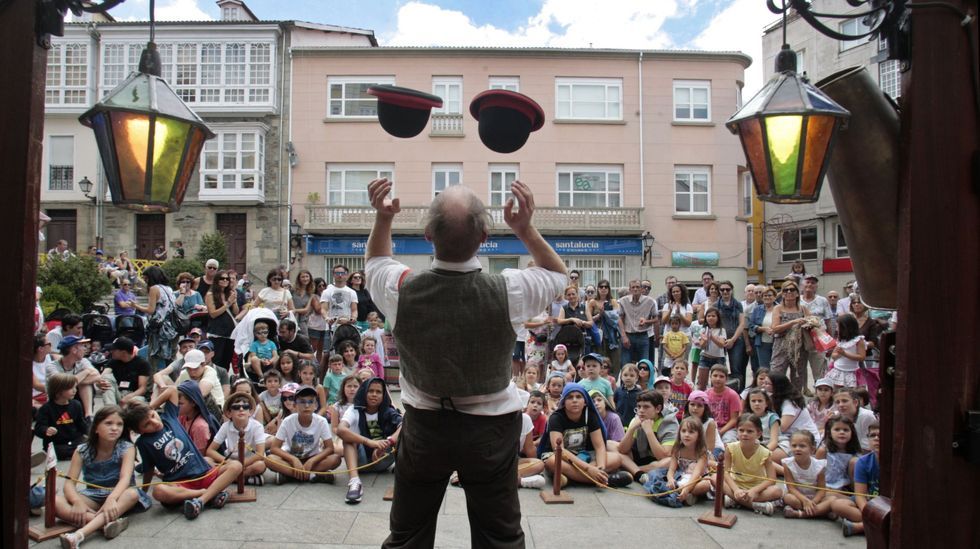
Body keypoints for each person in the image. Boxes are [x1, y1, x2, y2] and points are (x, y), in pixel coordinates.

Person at [366, 178, 566, 548]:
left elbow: (377, 261)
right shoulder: (509, 290)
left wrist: (383, 218)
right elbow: (556, 274)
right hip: (490, 430)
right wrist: (524, 228)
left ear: (428, 234)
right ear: (485, 236)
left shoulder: (401, 288)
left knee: (408, 535)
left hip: (426, 426)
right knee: (499, 537)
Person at [125, 390, 241, 520]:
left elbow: (172, 391)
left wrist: (150, 406)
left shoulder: (169, 417)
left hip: (205, 473)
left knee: (235, 466)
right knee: (158, 491)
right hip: (181, 485)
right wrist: (144, 492)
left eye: (152, 416)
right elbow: (148, 469)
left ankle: (201, 501)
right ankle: (208, 495)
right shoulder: (143, 442)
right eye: (147, 424)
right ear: (139, 431)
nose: (155, 423)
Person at [55, 406, 152, 549]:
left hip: (120, 495)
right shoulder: (82, 450)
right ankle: (105, 524)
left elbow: (125, 479)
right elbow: (69, 484)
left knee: (132, 493)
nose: (115, 428)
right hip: (93, 495)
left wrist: (112, 498)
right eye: (108, 423)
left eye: (119, 424)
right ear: (96, 428)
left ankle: (78, 535)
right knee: (55, 501)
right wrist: (77, 502)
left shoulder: (127, 447)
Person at [538, 383, 629, 487]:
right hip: (561, 457)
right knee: (552, 462)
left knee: (616, 459)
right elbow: (560, 450)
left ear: (585, 401)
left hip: (584, 455)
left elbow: (599, 447)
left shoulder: (590, 415)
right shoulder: (556, 418)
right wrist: (588, 469)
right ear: (563, 402)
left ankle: (570, 479)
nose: (575, 400)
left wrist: (600, 468)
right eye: (570, 397)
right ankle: (605, 480)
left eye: (579, 397)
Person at [337, 377, 402, 504]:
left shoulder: (388, 411)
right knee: (348, 439)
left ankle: (404, 473)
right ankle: (354, 482)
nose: (374, 394)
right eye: (370, 391)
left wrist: (387, 443)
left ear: (383, 395)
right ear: (363, 392)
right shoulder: (354, 410)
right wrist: (369, 442)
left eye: (378, 392)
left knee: (404, 435)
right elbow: (340, 430)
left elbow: (404, 425)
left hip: (382, 460)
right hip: (360, 461)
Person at [266, 385, 341, 484]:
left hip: (313, 458)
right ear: (295, 405)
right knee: (269, 459)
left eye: (310, 402)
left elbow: (330, 448)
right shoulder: (288, 421)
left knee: (336, 459)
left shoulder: (321, 421)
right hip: (290, 459)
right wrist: (293, 459)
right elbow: (274, 448)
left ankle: (289, 476)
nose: (306, 406)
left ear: (315, 405)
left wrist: (312, 461)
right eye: (302, 402)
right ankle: (312, 475)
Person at [722, 413, 783, 515]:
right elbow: (726, 472)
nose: (744, 434)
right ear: (736, 431)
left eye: (750, 431)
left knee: (777, 491)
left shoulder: (765, 453)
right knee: (714, 478)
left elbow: (772, 479)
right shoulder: (730, 448)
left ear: (758, 434)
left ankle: (735, 501)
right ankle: (755, 505)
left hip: (757, 489)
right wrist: (736, 490)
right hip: (736, 485)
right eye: (741, 430)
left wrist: (754, 491)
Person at [830, 422, 881, 537]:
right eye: (872, 435)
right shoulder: (863, 462)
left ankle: (860, 527)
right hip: (870, 502)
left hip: (888, 506)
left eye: (880, 435)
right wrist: (867, 513)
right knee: (837, 504)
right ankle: (877, 525)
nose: (876, 438)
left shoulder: (896, 461)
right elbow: (860, 495)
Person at [617, 389, 677, 483]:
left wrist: (649, 431)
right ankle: (639, 474)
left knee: (669, 461)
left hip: (656, 462)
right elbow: (622, 450)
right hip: (640, 457)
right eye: (639, 407)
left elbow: (663, 456)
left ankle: (629, 469)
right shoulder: (638, 417)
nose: (641, 411)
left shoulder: (669, 422)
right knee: (610, 444)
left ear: (658, 409)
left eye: (646, 407)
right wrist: (632, 428)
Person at [207, 392, 268, 485]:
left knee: (260, 466)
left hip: (249, 462)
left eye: (245, 407)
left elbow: (260, 453)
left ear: (250, 412)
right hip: (231, 460)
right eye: (236, 407)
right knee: (206, 460)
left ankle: (228, 478)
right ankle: (245, 479)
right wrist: (228, 462)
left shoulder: (257, 426)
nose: (241, 409)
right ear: (229, 413)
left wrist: (242, 464)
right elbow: (210, 451)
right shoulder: (226, 426)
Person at [769, 280, 811, 392]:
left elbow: (812, 324)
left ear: (797, 293)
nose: (789, 292)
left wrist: (810, 323)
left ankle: (796, 402)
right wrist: (793, 322)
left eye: (792, 290)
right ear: (782, 294)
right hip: (781, 346)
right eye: (785, 290)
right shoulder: (778, 308)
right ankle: (776, 401)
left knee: (798, 377)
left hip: (799, 347)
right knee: (776, 375)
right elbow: (775, 328)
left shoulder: (803, 309)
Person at [34, 373, 87, 460]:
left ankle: (77, 452)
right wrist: (46, 430)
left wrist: (91, 433)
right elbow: (39, 428)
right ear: (58, 391)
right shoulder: (46, 408)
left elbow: (81, 423)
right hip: (57, 442)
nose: (75, 390)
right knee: (58, 450)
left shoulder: (76, 405)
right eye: (71, 388)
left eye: (75, 387)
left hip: (74, 440)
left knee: (89, 445)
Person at [781, 430, 831, 518]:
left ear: (812, 449)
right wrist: (804, 500)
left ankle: (801, 513)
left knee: (832, 500)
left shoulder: (819, 466)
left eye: (802, 446)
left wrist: (813, 502)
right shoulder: (787, 464)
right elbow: (791, 488)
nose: (797, 449)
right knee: (789, 498)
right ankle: (820, 512)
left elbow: (822, 489)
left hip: (814, 496)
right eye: (794, 446)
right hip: (797, 496)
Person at [140, 266, 178, 365]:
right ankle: (175, 379)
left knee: (153, 357)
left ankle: (152, 379)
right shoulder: (168, 288)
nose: (144, 281)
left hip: (159, 328)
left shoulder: (154, 289)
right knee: (170, 359)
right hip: (172, 327)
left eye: (145, 278)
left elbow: (150, 310)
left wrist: (135, 305)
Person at [816, 415, 861, 497]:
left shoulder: (854, 453)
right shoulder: (823, 451)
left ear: (852, 433)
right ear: (829, 432)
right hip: (826, 487)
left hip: (846, 488)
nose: (842, 432)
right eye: (837, 429)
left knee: (855, 461)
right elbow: (816, 474)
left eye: (846, 430)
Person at [98, 337, 152, 406]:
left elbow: (142, 388)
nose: (111, 352)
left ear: (123, 352)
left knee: (136, 401)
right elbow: (104, 375)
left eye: (114, 350)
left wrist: (129, 397)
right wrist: (99, 382)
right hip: (118, 392)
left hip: (134, 395)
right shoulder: (113, 362)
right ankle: (111, 410)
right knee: (106, 378)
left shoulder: (142, 364)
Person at [715, 280, 748, 390]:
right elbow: (713, 324)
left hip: (736, 340)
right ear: (719, 291)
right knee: (719, 368)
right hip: (720, 341)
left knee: (736, 369)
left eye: (727, 289)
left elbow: (742, 323)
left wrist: (733, 339)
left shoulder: (738, 304)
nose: (725, 291)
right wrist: (720, 340)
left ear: (731, 290)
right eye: (722, 289)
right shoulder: (715, 305)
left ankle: (738, 395)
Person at [617, 279, 657, 365]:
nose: (635, 289)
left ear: (641, 289)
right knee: (626, 364)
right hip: (628, 335)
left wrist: (646, 321)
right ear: (630, 289)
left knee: (644, 364)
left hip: (643, 336)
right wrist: (623, 336)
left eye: (638, 287)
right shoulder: (623, 301)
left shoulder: (650, 301)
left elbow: (656, 319)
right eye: (633, 287)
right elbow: (619, 318)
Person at [321, 264, 358, 345]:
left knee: (347, 350)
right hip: (331, 327)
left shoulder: (352, 292)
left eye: (342, 273)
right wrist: (327, 319)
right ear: (333, 275)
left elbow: (354, 309)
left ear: (347, 275)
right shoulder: (327, 292)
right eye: (337, 273)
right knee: (327, 353)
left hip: (347, 327)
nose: (340, 275)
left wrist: (353, 318)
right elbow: (324, 309)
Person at [590, 279, 621, 374]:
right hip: (598, 335)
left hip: (612, 335)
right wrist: (600, 314)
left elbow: (617, 317)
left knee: (615, 360)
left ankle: (613, 381)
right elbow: (589, 319)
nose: (603, 289)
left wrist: (607, 313)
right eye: (601, 287)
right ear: (598, 289)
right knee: (600, 359)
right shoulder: (593, 302)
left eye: (606, 287)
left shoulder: (613, 301)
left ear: (609, 289)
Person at [685, 390, 723, 460]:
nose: (695, 408)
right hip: (695, 449)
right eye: (692, 404)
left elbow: (709, 449)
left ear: (705, 408)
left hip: (714, 450)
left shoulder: (710, 423)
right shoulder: (685, 420)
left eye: (699, 405)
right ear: (688, 405)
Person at [748, 286, 777, 371]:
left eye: (770, 295)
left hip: (777, 343)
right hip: (762, 343)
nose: (767, 297)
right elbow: (751, 325)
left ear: (775, 297)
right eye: (765, 295)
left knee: (777, 368)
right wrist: (763, 329)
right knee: (764, 369)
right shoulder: (757, 309)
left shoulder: (779, 309)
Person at [743, 388, 781, 452]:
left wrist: (761, 453)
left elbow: (774, 442)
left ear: (766, 403)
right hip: (754, 445)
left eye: (760, 401)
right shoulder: (746, 418)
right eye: (753, 401)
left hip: (772, 446)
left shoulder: (772, 418)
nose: (757, 404)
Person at [289, 269, 319, 337]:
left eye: (307, 276)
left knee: (304, 340)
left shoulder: (310, 294)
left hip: (302, 321)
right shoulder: (292, 291)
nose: (305, 279)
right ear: (299, 279)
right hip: (291, 319)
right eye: (303, 277)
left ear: (310, 278)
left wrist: (294, 310)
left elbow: (306, 310)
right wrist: (293, 311)